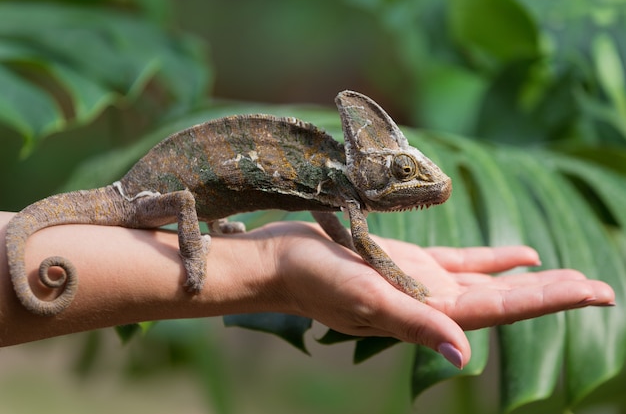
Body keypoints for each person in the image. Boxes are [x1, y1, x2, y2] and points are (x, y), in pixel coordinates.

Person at [0, 211, 614, 369]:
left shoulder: (335, 193)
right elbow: (361, 243)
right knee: (189, 197)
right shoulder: (336, 183)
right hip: (173, 194)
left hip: (185, 200)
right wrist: (263, 263)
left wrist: (274, 259)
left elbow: (349, 238)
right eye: (400, 177)